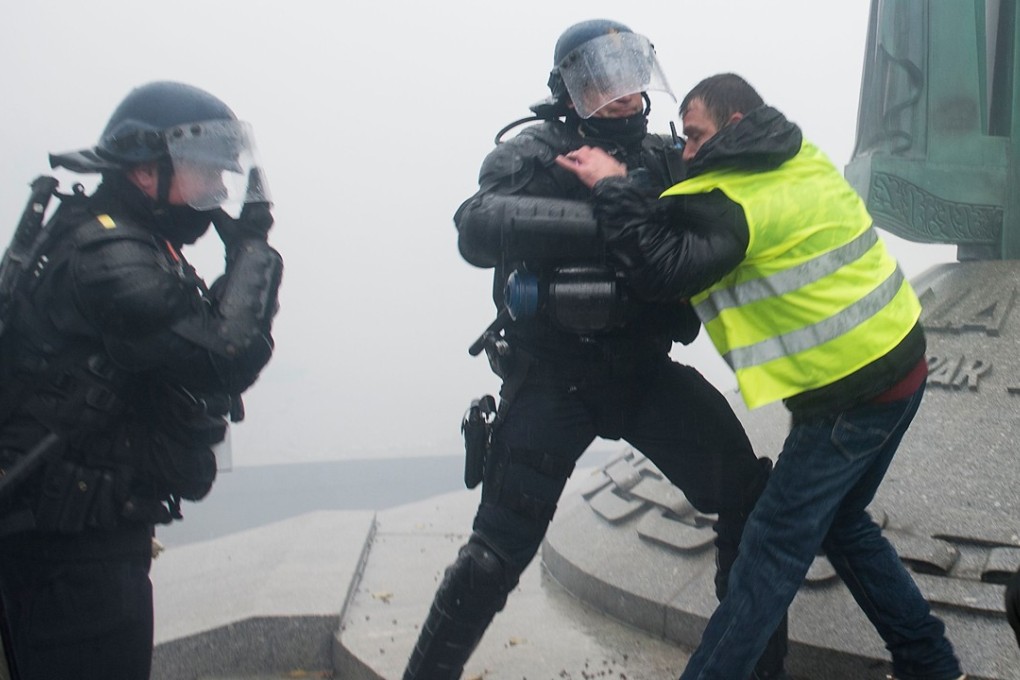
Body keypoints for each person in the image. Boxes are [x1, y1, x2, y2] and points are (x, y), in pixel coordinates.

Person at [403, 23, 788, 680]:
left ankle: (752, 667)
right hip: (552, 381)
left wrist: (631, 200)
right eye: (604, 80)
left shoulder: (670, 156)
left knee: (751, 500)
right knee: (494, 553)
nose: (623, 94)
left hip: (644, 374)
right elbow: (476, 226)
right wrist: (620, 216)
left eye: (631, 77)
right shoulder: (535, 151)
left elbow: (744, 197)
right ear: (569, 88)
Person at [557, 72, 966, 680]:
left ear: (736, 127)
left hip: (847, 400)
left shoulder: (739, 203)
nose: (687, 151)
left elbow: (664, 268)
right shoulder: (799, 156)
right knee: (844, 521)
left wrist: (614, 187)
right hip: (903, 364)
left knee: (765, 559)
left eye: (695, 137)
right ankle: (930, 662)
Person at [0, 81, 283, 680]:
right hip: (68, 555)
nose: (219, 190)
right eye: (205, 172)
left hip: (86, 539)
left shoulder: (129, 240)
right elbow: (226, 352)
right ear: (143, 170)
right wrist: (254, 249)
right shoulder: (106, 254)